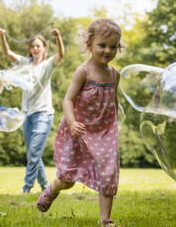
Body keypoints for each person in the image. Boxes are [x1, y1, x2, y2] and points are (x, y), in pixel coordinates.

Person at [36, 19, 125, 226]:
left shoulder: (115, 75)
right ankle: (53, 189)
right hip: (79, 130)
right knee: (68, 179)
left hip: (104, 133)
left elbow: (113, 101)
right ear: (89, 45)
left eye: (113, 46)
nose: (107, 50)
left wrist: (114, 123)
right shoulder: (83, 71)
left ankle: (105, 219)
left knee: (108, 172)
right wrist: (73, 122)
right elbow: (68, 99)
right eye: (102, 45)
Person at [0, 27, 65, 194]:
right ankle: (46, 188)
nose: (35, 48)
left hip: (43, 114)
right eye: (33, 46)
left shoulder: (48, 65)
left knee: (34, 153)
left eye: (38, 46)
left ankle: (26, 190)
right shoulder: (25, 64)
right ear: (30, 49)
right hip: (27, 115)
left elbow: (61, 55)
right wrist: (2, 37)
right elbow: (8, 53)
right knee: (33, 155)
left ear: (44, 48)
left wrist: (58, 37)